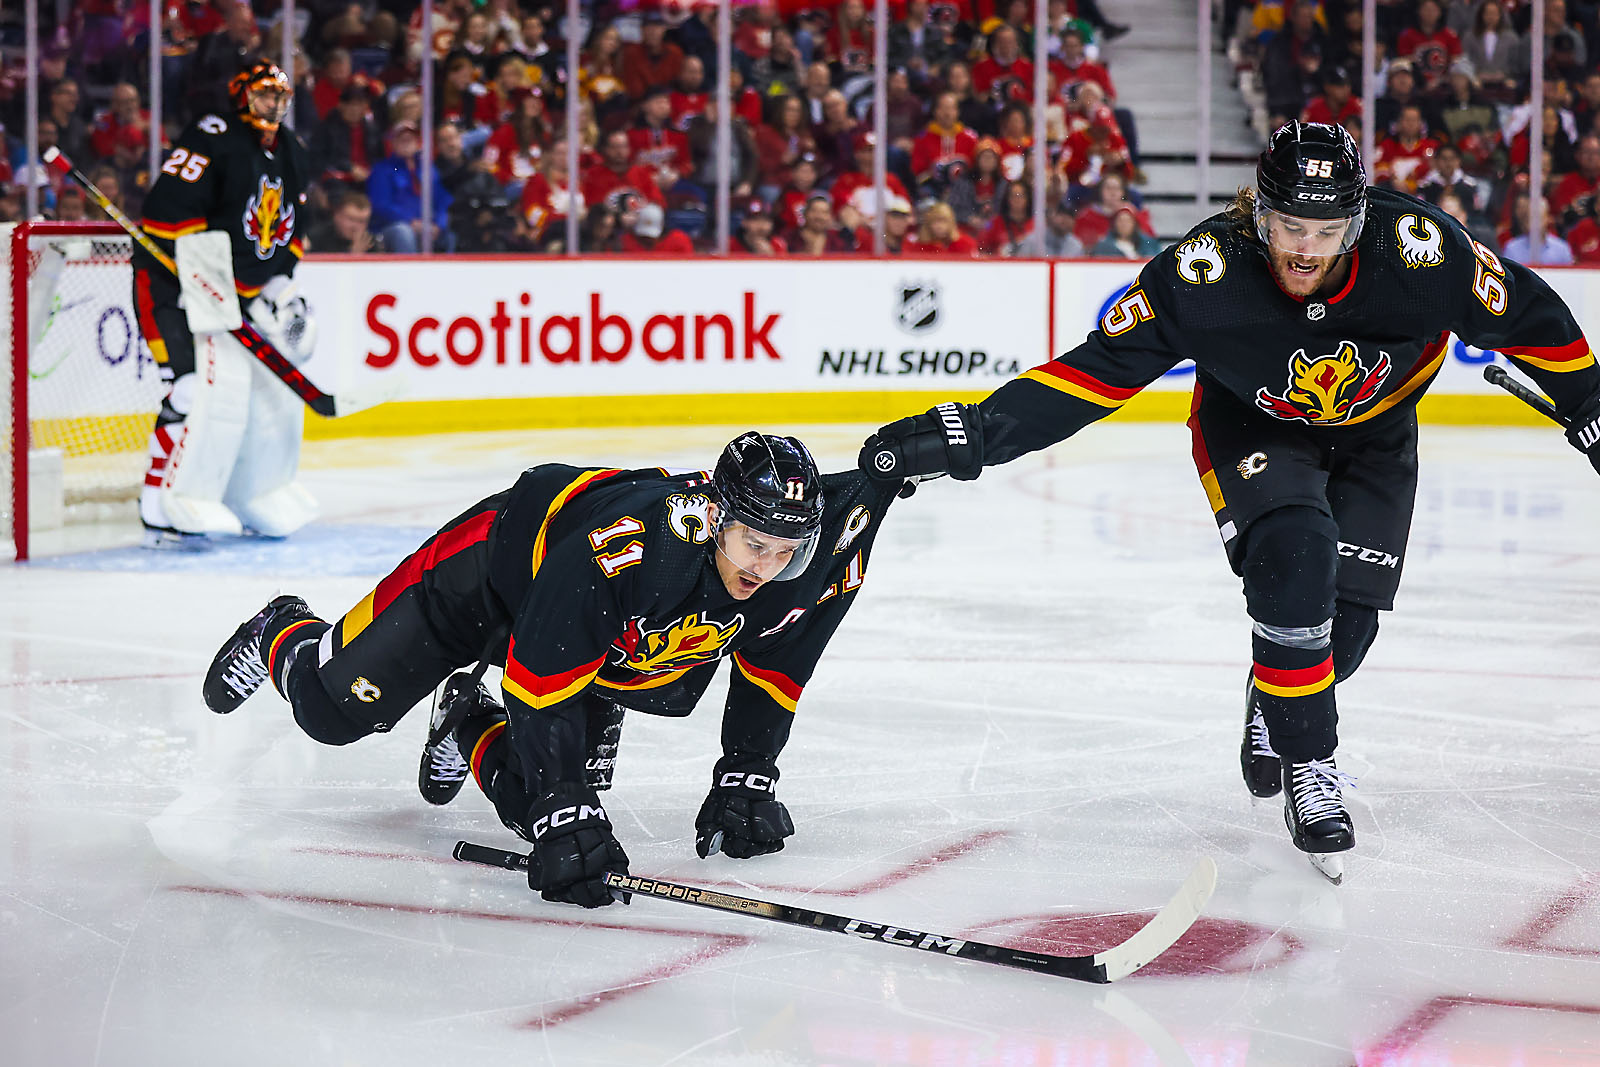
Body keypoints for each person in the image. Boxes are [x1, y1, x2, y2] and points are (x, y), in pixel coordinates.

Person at [856, 121, 1600, 883]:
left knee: (1344, 630)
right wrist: (975, 433)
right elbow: (1093, 375)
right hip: (1252, 424)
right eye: (1288, 226)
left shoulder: (1418, 250)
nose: (1306, 248)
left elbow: (1532, 317)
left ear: (1358, 219)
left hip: (1378, 435)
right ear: (1258, 212)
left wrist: (1590, 404)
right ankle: (1313, 768)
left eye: (1327, 228)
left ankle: (1272, 688)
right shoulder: (1205, 272)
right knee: (1295, 557)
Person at [203, 435, 904, 909]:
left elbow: (774, 666)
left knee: (543, 807)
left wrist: (745, 772)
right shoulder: (637, 549)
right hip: (483, 581)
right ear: (716, 515)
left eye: (786, 550)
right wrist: (563, 802)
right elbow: (541, 682)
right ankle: (282, 631)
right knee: (330, 715)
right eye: (754, 544)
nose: (766, 567)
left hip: (584, 638)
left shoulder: (798, 564)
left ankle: (465, 720)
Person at [134, 58, 317, 549]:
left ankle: (254, 494)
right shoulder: (211, 136)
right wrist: (212, 284)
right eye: (264, 96)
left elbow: (293, 230)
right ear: (241, 97)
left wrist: (276, 285)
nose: (274, 106)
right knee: (193, 391)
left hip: (233, 295)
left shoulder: (293, 150)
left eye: (281, 98)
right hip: (172, 287)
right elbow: (166, 214)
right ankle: (160, 503)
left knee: (261, 394)